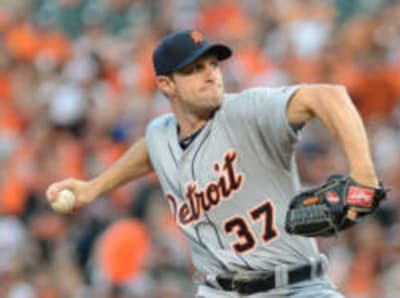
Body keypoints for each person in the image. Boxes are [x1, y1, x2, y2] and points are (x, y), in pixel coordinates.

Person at [46, 29, 380, 297]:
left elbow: (329, 95)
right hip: (217, 290)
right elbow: (151, 148)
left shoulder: (247, 111)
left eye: (213, 65)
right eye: (194, 70)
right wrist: (94, 187)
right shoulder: (160, 134)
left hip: (296, 287)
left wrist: (363, 172)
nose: (210, 76)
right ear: (166, 85)